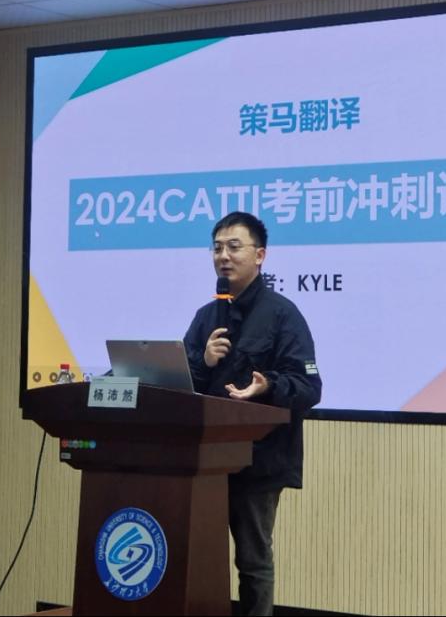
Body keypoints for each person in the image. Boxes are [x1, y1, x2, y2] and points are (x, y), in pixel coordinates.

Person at [184, 211, 322, 617]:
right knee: (198, 556)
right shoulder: (206, 317)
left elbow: (309, 387)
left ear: (260, 255)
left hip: (258, 461)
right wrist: (203, 362)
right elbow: (181, 383)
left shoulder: (283, 314)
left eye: (234, 247)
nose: (223, 256)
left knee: (253, 561)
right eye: (217, 248)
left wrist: (267, 386)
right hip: (205, 461)